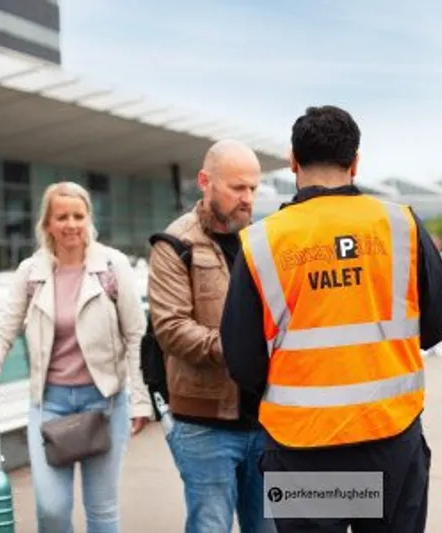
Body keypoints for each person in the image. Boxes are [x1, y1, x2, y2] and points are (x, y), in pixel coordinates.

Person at [220, 105, 442, 533]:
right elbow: (438, 322)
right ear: (356, 162)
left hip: (303, 450)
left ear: (293, 162)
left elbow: (241, 360)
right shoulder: (399, 225)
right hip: (390, 438)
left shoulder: (261, 242)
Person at [0, 181, 152, 533]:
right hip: (49, 405)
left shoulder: (112, 266)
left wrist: (141, 402)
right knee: (51, 509)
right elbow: (3, 328)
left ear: (88, 219)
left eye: (78, 216)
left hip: (104, 405)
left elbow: (136, 336)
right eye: (62, 216)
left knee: (102, 510)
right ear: (48, 223)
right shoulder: (31, 272)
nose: (71, 224)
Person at [147, 139, 270, 533]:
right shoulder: (174, 244)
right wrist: (242, 349)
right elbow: (172, 330)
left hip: (269, 420)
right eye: (237, 187)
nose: (247, 198)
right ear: (205, 181)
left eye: (253, 188)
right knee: (210, 526)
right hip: (205, 424)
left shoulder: (266, 241)